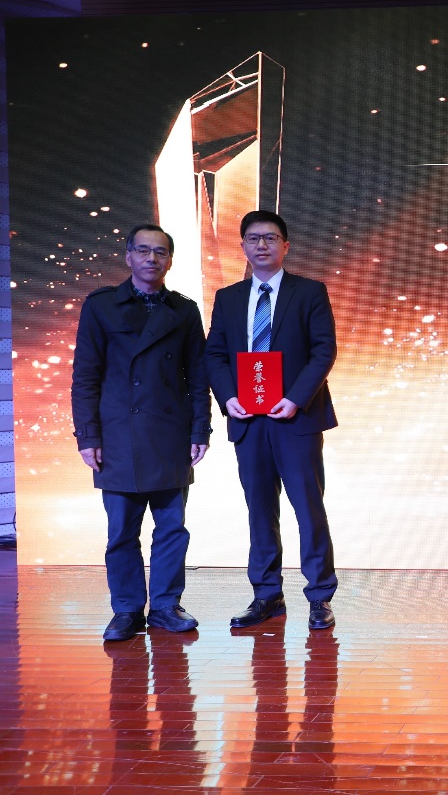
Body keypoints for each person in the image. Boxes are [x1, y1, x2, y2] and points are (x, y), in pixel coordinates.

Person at [71, 224, 212, 641]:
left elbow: (198, 376)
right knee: (121, 531)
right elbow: (85, 377)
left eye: (160, 252)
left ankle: (166, 606)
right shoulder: (101, 306)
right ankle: (127, 610)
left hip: (170, 432)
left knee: (172, 528)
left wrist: (200, 429)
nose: (152, 258)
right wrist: (88, 436)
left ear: (170, 260)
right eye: (143, 250)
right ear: (128, 255)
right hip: (118, 433)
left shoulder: (184, 310)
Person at [206, 210, 339, 630]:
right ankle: (266, 595)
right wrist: (228, 398)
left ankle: (320, 596)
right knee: (259, 510)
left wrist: (295, 399)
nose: (261, 245)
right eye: (253, 238)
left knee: (308, 509)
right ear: (243, 246)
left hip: (295, 419)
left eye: (270, 237)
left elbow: (323, 350)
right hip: (248, 419)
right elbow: (215, 354)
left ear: (286, 245)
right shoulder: (228, 297)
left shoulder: (310, 291)